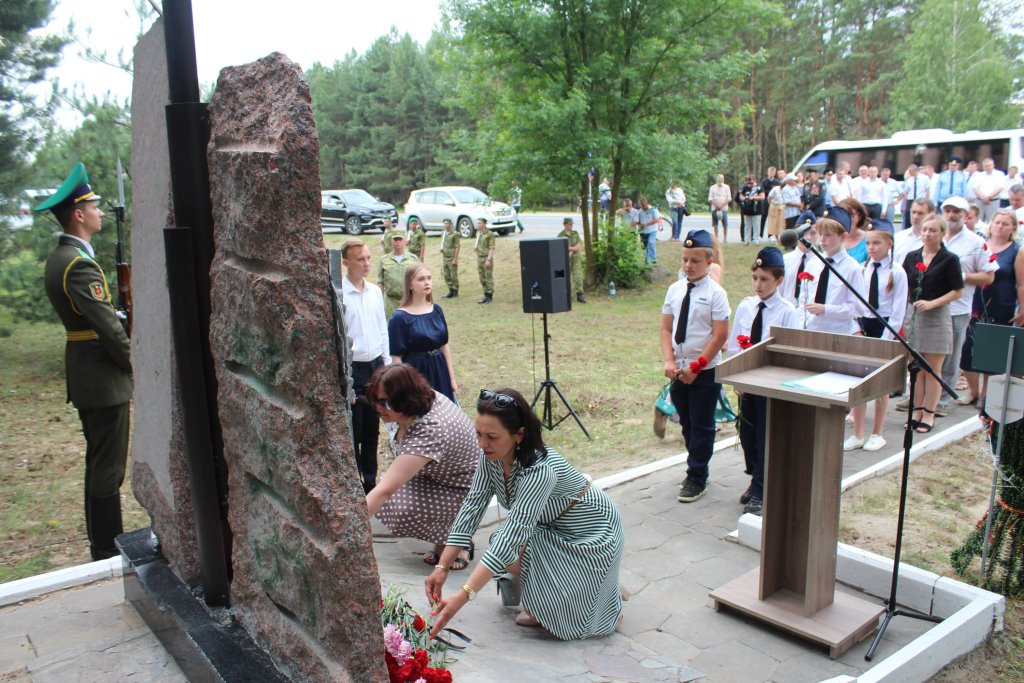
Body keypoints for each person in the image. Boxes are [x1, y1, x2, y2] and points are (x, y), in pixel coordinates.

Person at [426, 388, 624, 640]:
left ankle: (603, 599)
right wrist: (442, 565)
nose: (482, 443)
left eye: (492, 436)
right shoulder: (492, 457)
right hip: (551, 526)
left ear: (519, 435)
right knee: (502, 545)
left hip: (593, 532)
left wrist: (463, 596)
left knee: (508, 548)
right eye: (478, 433)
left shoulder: (540, 469)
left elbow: (513, 535)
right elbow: (472, 507)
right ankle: (577, 590)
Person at [38, 162, 132, 561]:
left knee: (99, 461)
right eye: (92, 206)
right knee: (108, 467)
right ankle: (107, 549)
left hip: (87, 373)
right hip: (102, 376)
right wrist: (135, 362)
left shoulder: (62, 258)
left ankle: (101, 542)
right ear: (78, 214)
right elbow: (107, 327)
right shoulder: (79, 264)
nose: (97, 211)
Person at [365, 364, 478, 569]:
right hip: (440, 475)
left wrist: (350, 530)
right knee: (391, 492)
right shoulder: (420, 401)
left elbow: (386, 489)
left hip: (466, 488)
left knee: (397, 504)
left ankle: (459, 540)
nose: (378, 408)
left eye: (384, 402)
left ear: (404, 399)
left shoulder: (431, 429)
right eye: (375, 401)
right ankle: (444, 539)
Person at [726, 247, 800, 515]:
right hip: (747, 385)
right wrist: (736, 379)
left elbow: (790, 356)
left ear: (779, 280)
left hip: (771, 387)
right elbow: (736, 345)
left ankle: (762, 487)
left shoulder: (787, 312)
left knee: (765, 437)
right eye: (755, 278)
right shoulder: (747, 306)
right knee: (747, 436)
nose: (758, 284)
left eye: (764, 279)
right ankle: (756, 478)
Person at [660, 230, 730, 503]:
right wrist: (669, 360)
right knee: (687, 422)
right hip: (679, 369)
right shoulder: (675, 290)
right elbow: (666, 328)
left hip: (705, 371)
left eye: (695, 261)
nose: (688, 265)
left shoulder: (716, 294)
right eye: (685, 259)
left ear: (709, 261)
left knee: (702, 424)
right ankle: (695, 466)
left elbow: (719, 335)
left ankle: (698, 475)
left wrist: (698, 366)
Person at [846, 219, 907, 453]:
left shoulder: (897, 272)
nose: (872, 248)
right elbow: (855, 303)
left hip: (885, 330)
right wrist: (857, 330)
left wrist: (884, 340)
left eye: (877, 243)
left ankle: (877, 433)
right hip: (864, 328)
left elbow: (898, 310)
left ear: (889, 244)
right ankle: (858, 433)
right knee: (859, 381)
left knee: (880, 385)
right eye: (869, 243)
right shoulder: (862, 268)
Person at [934, 196, 997, 417]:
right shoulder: (933, 236)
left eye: (956, 212)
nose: (951, 215)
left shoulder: (976, 242)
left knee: (950, 357)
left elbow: (988, 277)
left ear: (966, 214)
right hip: (929, 307)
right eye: (948, 211)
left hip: (957, 308)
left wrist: (959, 276)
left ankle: (942, 400)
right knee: (927, 355)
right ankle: (923, 397)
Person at [901, 214, 964, 433]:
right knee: (916, 369)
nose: (927, 234)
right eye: (925, 229)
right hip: (914, 314)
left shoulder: (949, 259)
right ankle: (917, 409)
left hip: (936, 316)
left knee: (933, 369)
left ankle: (929, 412)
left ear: (942, 233)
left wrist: (933, 303)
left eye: (933, 230)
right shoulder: (911, 257)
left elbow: (958, 290)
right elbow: (904, 284)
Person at [958, 210, 1023, 405]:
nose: (1000, 226)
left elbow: (1021, 283)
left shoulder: (1017, 251)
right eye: (997, 222)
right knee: (967, 346)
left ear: (1013, 228)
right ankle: (973, 390)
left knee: (991, 351)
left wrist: (1022, 310)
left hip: (1001, 304)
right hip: (975, 301)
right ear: (991, 224)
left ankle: (986, 393)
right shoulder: (980, 245)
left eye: (1005, 223)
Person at [341, 238, 390, 494]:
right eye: (361, 259)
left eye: (369, 258)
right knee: (356, 430)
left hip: (376, 367)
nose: (367, 263)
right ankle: (355, 483)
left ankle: (370, 484)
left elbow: (382, 330)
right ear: (346, 263)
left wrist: (386, 366)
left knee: (373, 429)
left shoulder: (374, 291)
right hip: (355, 367)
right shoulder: (342, 295)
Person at [388, 263, 459, 402]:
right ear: (409, 284)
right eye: (421, 279)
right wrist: (405, 387)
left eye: (429, 278)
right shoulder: (400, 318)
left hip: (440, 369)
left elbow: (444, 346)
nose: (427, 282)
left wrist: (451, 379)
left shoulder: (437, 310)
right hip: (416, 373)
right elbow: (396, 358)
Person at [802, 206, 867, 335]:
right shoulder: (813, 263)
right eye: (820, 234)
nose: (822, 240)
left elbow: (857, 308)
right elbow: (803, 297)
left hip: (837, 333)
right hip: (810, 329)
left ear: (843, 237)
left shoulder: (852, 268)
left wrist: (826, 309)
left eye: (828, 235)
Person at [378, 228, 418, 318]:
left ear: (405, 241)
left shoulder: (413, 259)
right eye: (395, 239)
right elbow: (380, 282)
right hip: (391, 303)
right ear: (391, 241)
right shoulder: (384, 260)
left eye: (400, 239)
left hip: (409, 300)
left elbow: (418, 280)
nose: (398, 242)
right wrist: (379, 301)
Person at [782, 213, 819, 308]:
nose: (808, 238)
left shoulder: (821, 262)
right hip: (788, 309)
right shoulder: (785, 260)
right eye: (804, 233)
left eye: (813, 233)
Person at [893, 198, 934, 267]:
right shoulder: (898, 237)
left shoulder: (935, 240)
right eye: (913, 212)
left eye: (920, 213)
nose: (915, 217)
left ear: (930, 214)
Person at [559, 217, 587, 303]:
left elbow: (579, 245)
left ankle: (580, 295)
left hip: (576, 258)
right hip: (565, 259)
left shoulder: (575, 233)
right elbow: (560, 247)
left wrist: (570, 249)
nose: (571, 225)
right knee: (566, 278)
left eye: (572, 224)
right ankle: (566, 295)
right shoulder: (560, 236)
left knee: (578, 276)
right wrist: (572, 249)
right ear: (565, 224)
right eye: (570, 224)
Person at [971, 158, 1007, 222]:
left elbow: (1000, 188)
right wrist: (982, 197)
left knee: (992, 221)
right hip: (980, 202)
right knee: (978, 221)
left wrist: (989, 197)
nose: (987, 167)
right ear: (983, 167)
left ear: (993, 165)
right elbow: (975, 188)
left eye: (989, 165)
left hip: (993, 201)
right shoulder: (978, 175)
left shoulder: (999, 174)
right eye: (985, 166)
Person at [839, 197, 869, 263]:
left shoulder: (868, 239)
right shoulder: (833, 238)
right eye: (842, 215)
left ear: (859, 216)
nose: (846, 218)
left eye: (850, 215)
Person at [736, 175, 764, 245]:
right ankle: (747, 240)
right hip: (747, 209)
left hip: (756, 210)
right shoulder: (745, 188)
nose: (749, 184)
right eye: (748, 183)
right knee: (747, 225)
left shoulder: (759, 187)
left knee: (756, 226)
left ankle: (756, 240)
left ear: (754, 180)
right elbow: (740, 196)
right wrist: (744, 198)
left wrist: (754, 197)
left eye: (751, 182)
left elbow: (762, 196)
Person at [473, 218, 496, 304]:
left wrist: (488, 259)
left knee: (488, 277)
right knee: (482, 277)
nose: (478, 225)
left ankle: (490, 296)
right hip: (480, 258)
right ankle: (485, 295)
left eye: (479, 223)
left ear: (484, 224)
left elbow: (491, 248)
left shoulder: (489, 234)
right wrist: (476, 247)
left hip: (486, 258)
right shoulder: (478, 233)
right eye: (477, 223)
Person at [901, 165, 930, 230]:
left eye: (910, 171)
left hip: (920, 200)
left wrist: (926, 201)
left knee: (920, 216)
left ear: (915, 171)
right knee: (908, 217)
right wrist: (905, 205)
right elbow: (906, 193)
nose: (909, 173)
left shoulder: (925, 178)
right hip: (910, 200)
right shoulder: (909, 179)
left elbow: (927, 191)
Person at [439, 218, 460, 298]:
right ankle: (450, 290)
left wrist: (455, 258)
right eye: (444, 223)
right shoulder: (443, 233)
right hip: (445, 256)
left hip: (451, 257)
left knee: (453, 275)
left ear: (451, 224)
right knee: (446, 274)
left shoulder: (454, 234)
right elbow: (443, 242)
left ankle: (455, 291)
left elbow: (457, 246)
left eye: (447, 223)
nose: (445, 225)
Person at [636, 196, 660, 265]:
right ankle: (647, 261)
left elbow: (657, 220)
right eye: (641, 205)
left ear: (647, 203)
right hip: (643, 231)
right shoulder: (639, 211)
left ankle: (653, 259)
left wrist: (646, 224)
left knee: (651, 243)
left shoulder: (653, 209)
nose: (643, 206)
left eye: (644, 205)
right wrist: (639, 224)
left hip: (652, 230)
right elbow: (637, 221)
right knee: (646, 246)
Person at [708, 175, 731, 242]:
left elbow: (729, 198)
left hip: (724, 208)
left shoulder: (726, 187)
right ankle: (716, 238)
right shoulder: (713, 187)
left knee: (725, 224)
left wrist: (722, 205)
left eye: (721, 180)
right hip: (714, 208)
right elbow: (710, 198)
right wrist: (716, 205)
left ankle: (725, 238)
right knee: (715, 224)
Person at [759, 166, 780, 240]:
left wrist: (772, 192)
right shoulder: (764, 181)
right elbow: (763, 191)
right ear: (768, 173)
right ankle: (760, 235)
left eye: (773, 172)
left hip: (774, 202)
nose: (771, 174)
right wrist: (771, 192)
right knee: (763, 218)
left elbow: (778, 192)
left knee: (772, 219)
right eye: (770, 172)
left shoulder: (777, 182)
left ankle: (770, 235)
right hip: (765, 202)